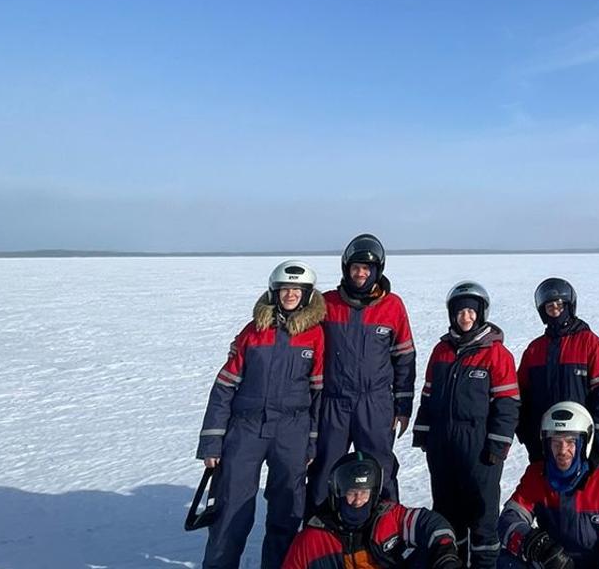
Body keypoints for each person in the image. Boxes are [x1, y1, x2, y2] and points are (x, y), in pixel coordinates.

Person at [196, 260, 326, 569]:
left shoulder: (315, 336)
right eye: (285, 289)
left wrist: (311, 443)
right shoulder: (252, 332)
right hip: (247, 428)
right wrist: (212, 442)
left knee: (287, 510)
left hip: (291, 431)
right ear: (274, 292)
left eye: (297, 290)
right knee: (231, 508)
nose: (290, 295)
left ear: (307, 295)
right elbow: (224, 387)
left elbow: (318, 395)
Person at [414, 281, 521, 569]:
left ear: (481, 314)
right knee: (448, 514)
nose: (466, 318)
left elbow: (508, 405)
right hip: (443, 445)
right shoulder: (442, 351)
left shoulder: (497, 354)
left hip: (480, 448)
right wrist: (423, 433)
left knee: (482, 515)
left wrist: (498, 444)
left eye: (471, 312)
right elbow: (428, 395)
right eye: (460, 312)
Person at [308, 233, 416, 513]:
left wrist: (402, 406)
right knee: (324, 467)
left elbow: (404, 358)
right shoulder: (326, 303)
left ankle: (387, 530)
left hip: (375, 402)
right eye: (355, 267)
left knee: (380, 466)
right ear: (346, 269)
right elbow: (297, 330)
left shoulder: (393, 306)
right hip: (334, 402)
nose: (360, 273)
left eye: (366, 269)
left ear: (377, 271)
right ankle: (319, 529)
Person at [498, 402, 599, 569]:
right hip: (550, 564)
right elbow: (508, 519)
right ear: (546, 444)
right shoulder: (537, 475)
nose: (562, 451)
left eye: (571, 442)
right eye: (556, 442)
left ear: (584, 443)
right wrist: (537, 545)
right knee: (506, 561)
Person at [283, 451, 464, 569]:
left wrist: (445, 555)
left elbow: (432, 524)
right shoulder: (312, 539)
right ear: (338, 493)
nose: (358, 500)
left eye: (364, 493)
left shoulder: (389, 518)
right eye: (352, 493)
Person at [516, 278, 599, 462]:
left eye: (559, 305)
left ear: (570, 306)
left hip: (582, 440)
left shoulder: (591, 344)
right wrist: (527, 433)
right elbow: (521, 395)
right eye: (549, 307)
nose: (555, 311)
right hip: (545, 440)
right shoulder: (534, 350)